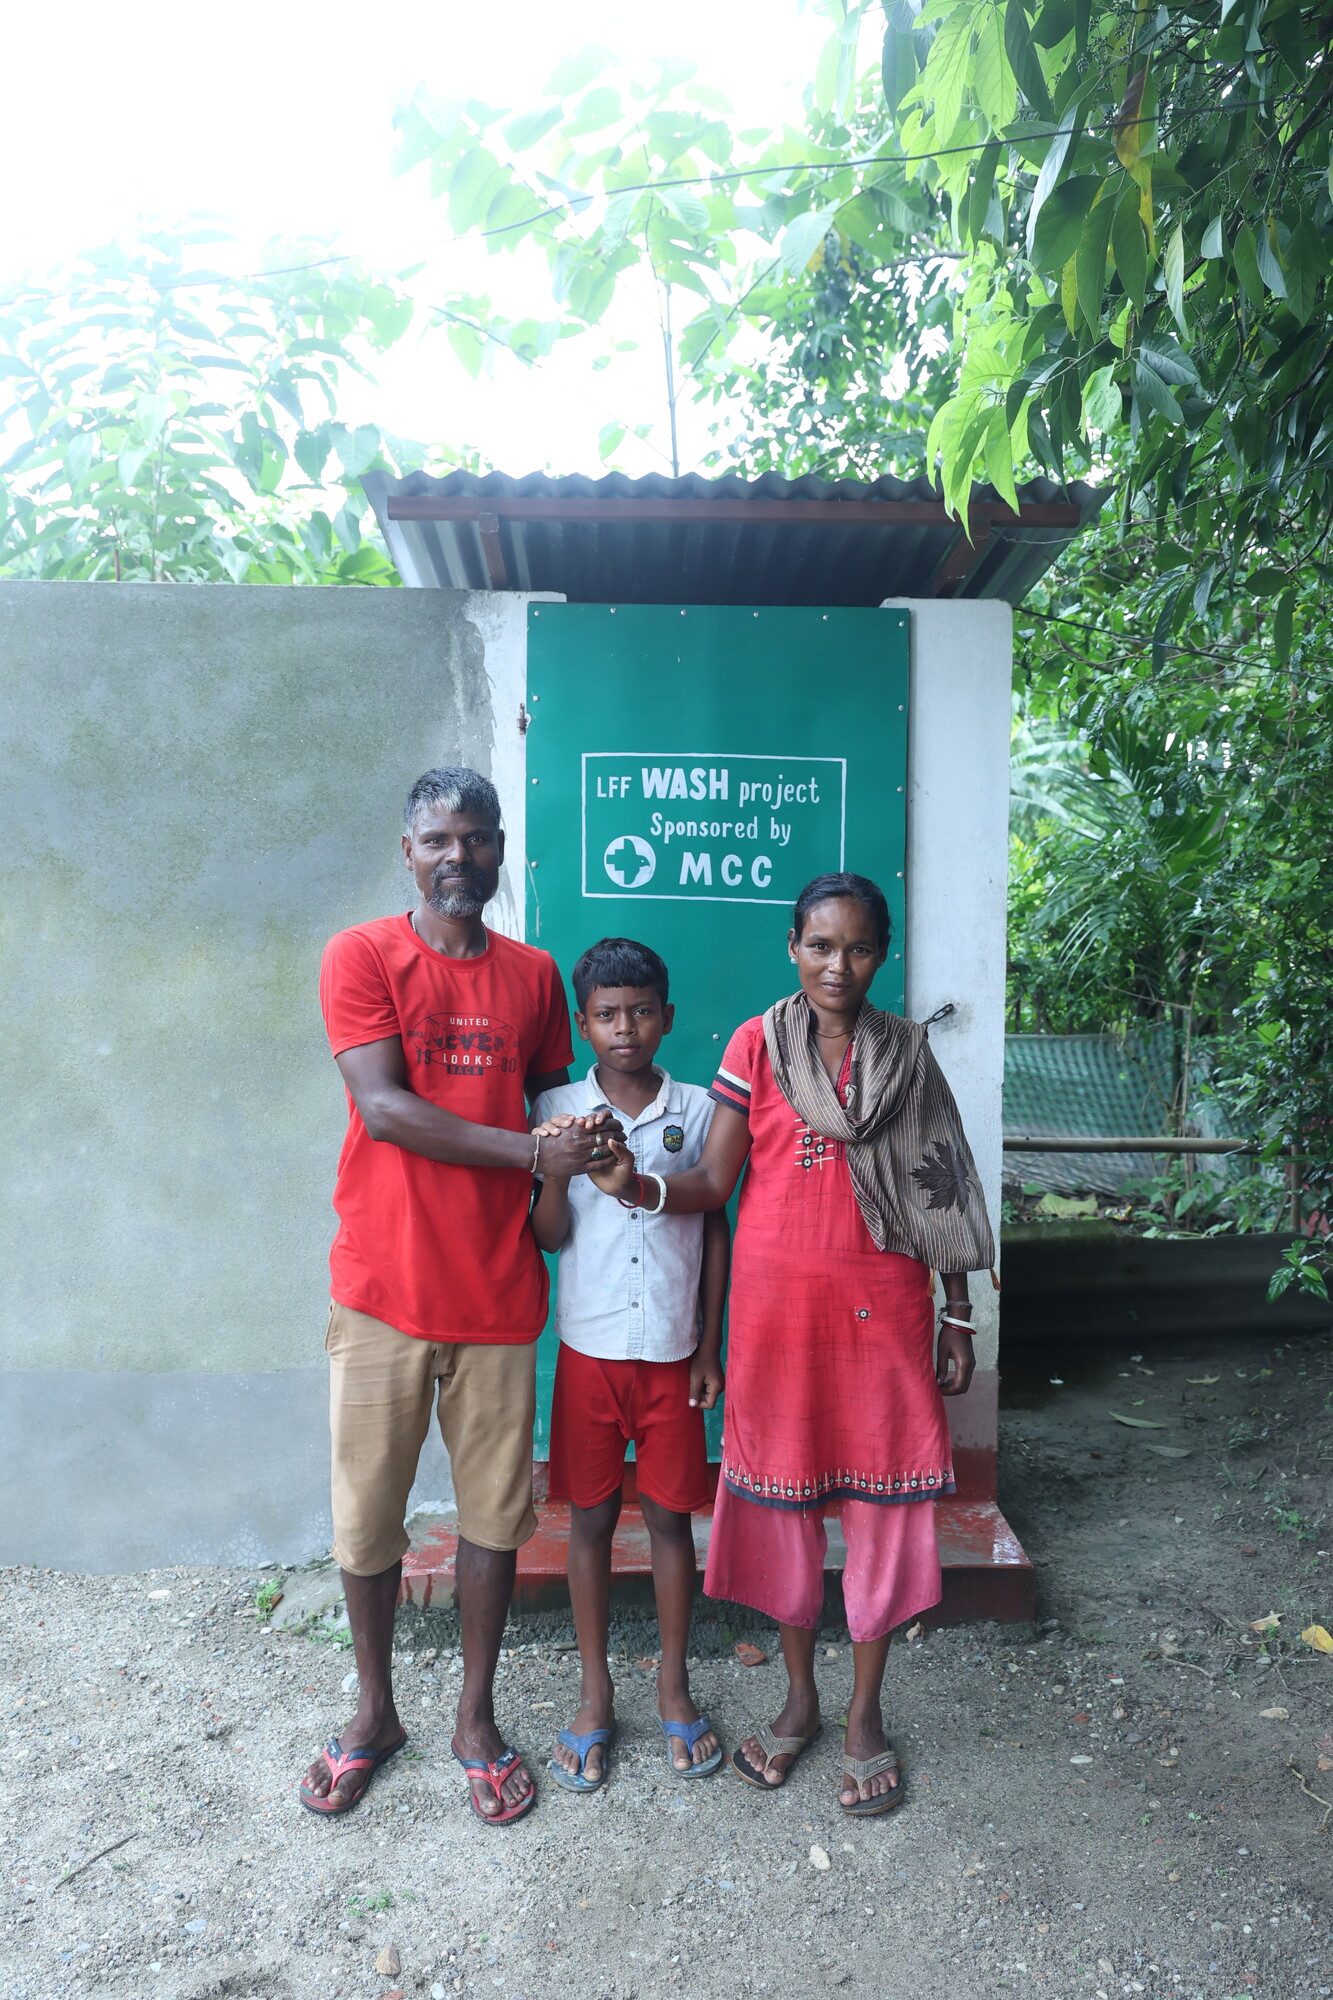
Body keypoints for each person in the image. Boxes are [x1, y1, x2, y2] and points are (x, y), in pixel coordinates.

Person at [587, 872, 995, 1817]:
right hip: (775, 1322)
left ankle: (864, 1715)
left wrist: (958, 1314)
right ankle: (801, 1698)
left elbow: (941, 1187)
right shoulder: (756, 1043)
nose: (836, 965)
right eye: (819, 945)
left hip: (883, 1314)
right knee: (784, 1511)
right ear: (792, 947)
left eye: (856, 948)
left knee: (884, 1516)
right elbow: (713, 1181)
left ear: (880, 955)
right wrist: (633, 1183)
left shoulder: (904, 1055)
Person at [299, 767, 617, 1826]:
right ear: (408, 849)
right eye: (438, 837)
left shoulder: (532, 977)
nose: (459, 856)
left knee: (491, 1517)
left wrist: (575, 1155)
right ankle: (375, 1710)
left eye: (478, 838)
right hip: (384, 1290)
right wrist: (533, 1147)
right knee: (368, 1519)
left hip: (496, 1295)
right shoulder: (362, 955)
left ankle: (473, 1718)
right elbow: (386, 1109)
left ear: (497, 849)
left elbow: (549, 1109)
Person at [529, 938, 729, 1790]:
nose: (625, 1028)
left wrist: (711, 1346)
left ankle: (674, 1687)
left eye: (641, 1011)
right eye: (607, 1014)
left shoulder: (700, 1109)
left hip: (672, 1355)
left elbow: (712, 1221)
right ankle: (595, 1690)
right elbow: (547, 1234)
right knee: (589, 1523)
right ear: (583, 1022)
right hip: (589, 1352)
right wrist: (556, 1168)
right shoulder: (557, 1105)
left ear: (667, 1017)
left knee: (674, 1522)